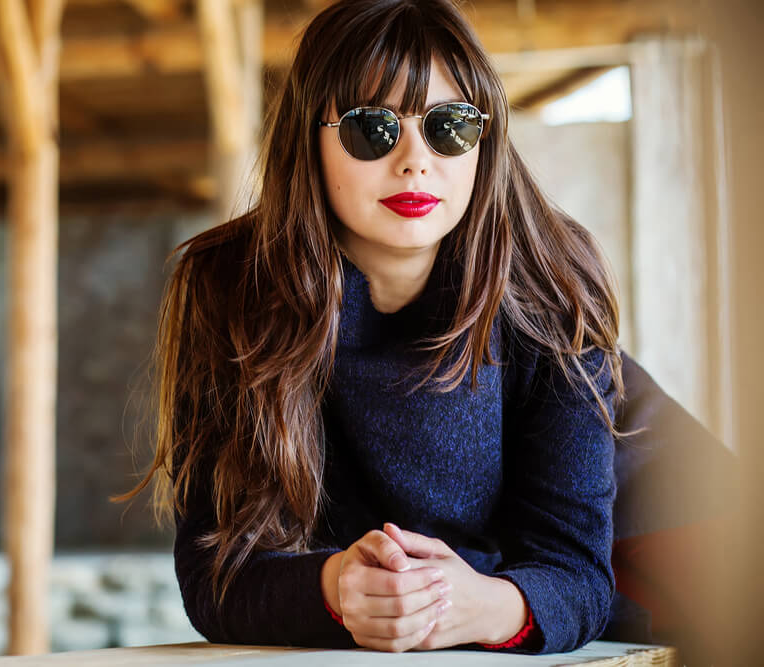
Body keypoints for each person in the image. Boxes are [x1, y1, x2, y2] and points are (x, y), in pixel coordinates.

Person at [113, 0, 734, 656]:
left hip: (665, 539)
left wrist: (479, 603)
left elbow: (580, 572)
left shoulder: (551, 278)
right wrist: (335, 586)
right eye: (372, 128)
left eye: (451, 125)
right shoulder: (228, 285)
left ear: (482, 141)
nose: (415, 160)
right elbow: (219, 572)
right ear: (308, 137)